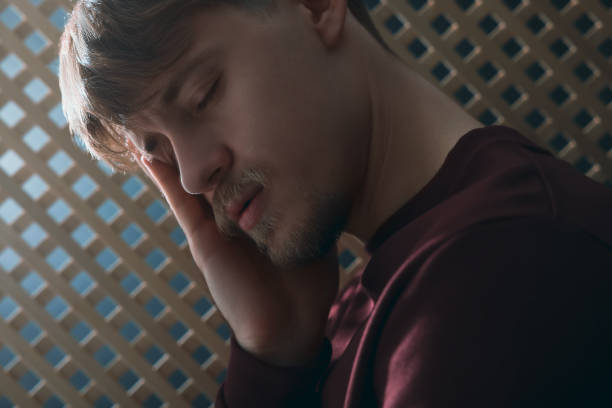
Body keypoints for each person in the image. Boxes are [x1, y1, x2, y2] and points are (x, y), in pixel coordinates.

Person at [58, 0, 612, 406]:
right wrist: (274, 358)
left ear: (316, 7)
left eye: (203, 94)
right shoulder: (373, 302)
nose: (195, 174)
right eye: (161, 152)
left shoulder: (496, 277)